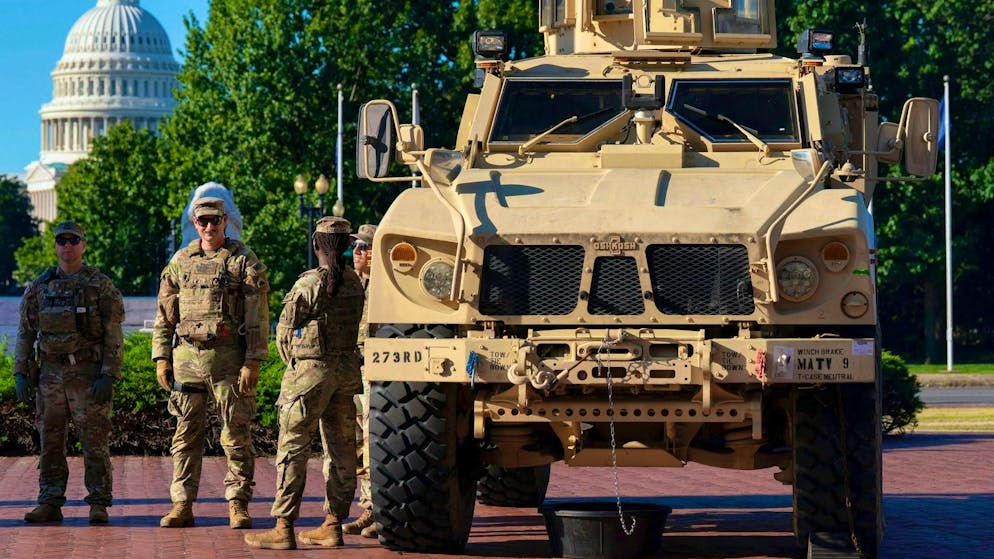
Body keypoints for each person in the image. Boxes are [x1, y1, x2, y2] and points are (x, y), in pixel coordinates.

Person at [244, 216, 364, 550]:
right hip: (346, 374)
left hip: (310, 375)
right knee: (341, 451)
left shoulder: (309, 283)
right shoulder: (355, 282)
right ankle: (333, 524)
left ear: (317, 245)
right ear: (345, 246)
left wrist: (297, 365)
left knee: (293, 448)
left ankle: (283, 527)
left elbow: (283, 335)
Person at [153, 197, 269, 530]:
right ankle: (182, 503)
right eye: (202, 221)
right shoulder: (180, 261)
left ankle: (238, 503)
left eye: (215, 221)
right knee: (185, 434)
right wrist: (162, 357)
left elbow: (258, 316)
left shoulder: (243, 260)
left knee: (235, 434)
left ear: (225, 221)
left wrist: (253, 361)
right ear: (194, 222)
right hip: (187, 359)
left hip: (228, 359)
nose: (208, 227)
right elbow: (164, 316)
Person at [13, 221, 124, 524]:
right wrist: (20, 373)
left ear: (83, 244)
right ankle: (50, 500)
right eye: (61, 240)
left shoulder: (99, 285)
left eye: (73, 240)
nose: (67, 246)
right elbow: (26, 332)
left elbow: (114, 334)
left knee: (95, 440)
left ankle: (98, 502)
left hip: (86, 374)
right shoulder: (39, 287)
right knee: (50, 440)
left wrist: (109, 374)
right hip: (49, 375)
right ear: (55, 246)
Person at [341, 223, 377, 539]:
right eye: (355, 247)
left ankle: (380, 510)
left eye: (363, 247)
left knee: (373, 441)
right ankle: (370, 507)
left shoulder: (388, 288)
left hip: (375, 373)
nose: (356, 253)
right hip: (353, 370)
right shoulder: (352, 284)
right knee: (355, 442)